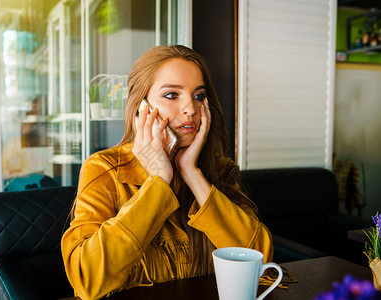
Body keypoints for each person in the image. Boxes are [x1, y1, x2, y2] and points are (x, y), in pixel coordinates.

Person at [61, 45, 273, 299]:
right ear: (142, 107)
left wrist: (192, 173)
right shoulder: (104, 169)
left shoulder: (220, 171)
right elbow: (87, 279)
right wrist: (159, 181)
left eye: (198, 96)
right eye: (172, 95)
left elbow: (260, 262)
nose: (191, 109)